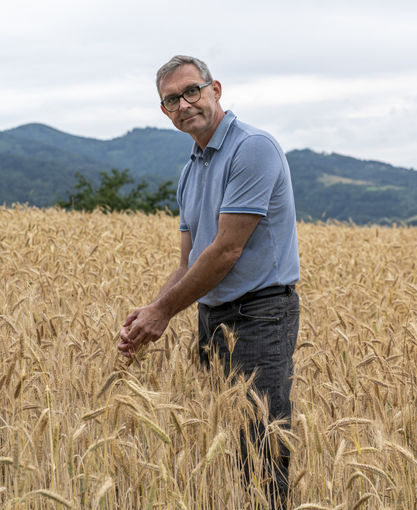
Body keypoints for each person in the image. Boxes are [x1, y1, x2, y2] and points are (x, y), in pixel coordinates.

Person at [117, 55, 300, 509]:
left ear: (216, 89)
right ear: (164, 111)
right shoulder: (190, 170)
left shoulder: (252, 148)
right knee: (222, 442)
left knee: (259, 452)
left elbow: (226, 250)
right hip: (211, 317)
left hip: (260, 315)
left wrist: (162, 313)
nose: (184, 105)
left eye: (191, 91)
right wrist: (148, 315)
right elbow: (189, 262)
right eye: (171, 100)